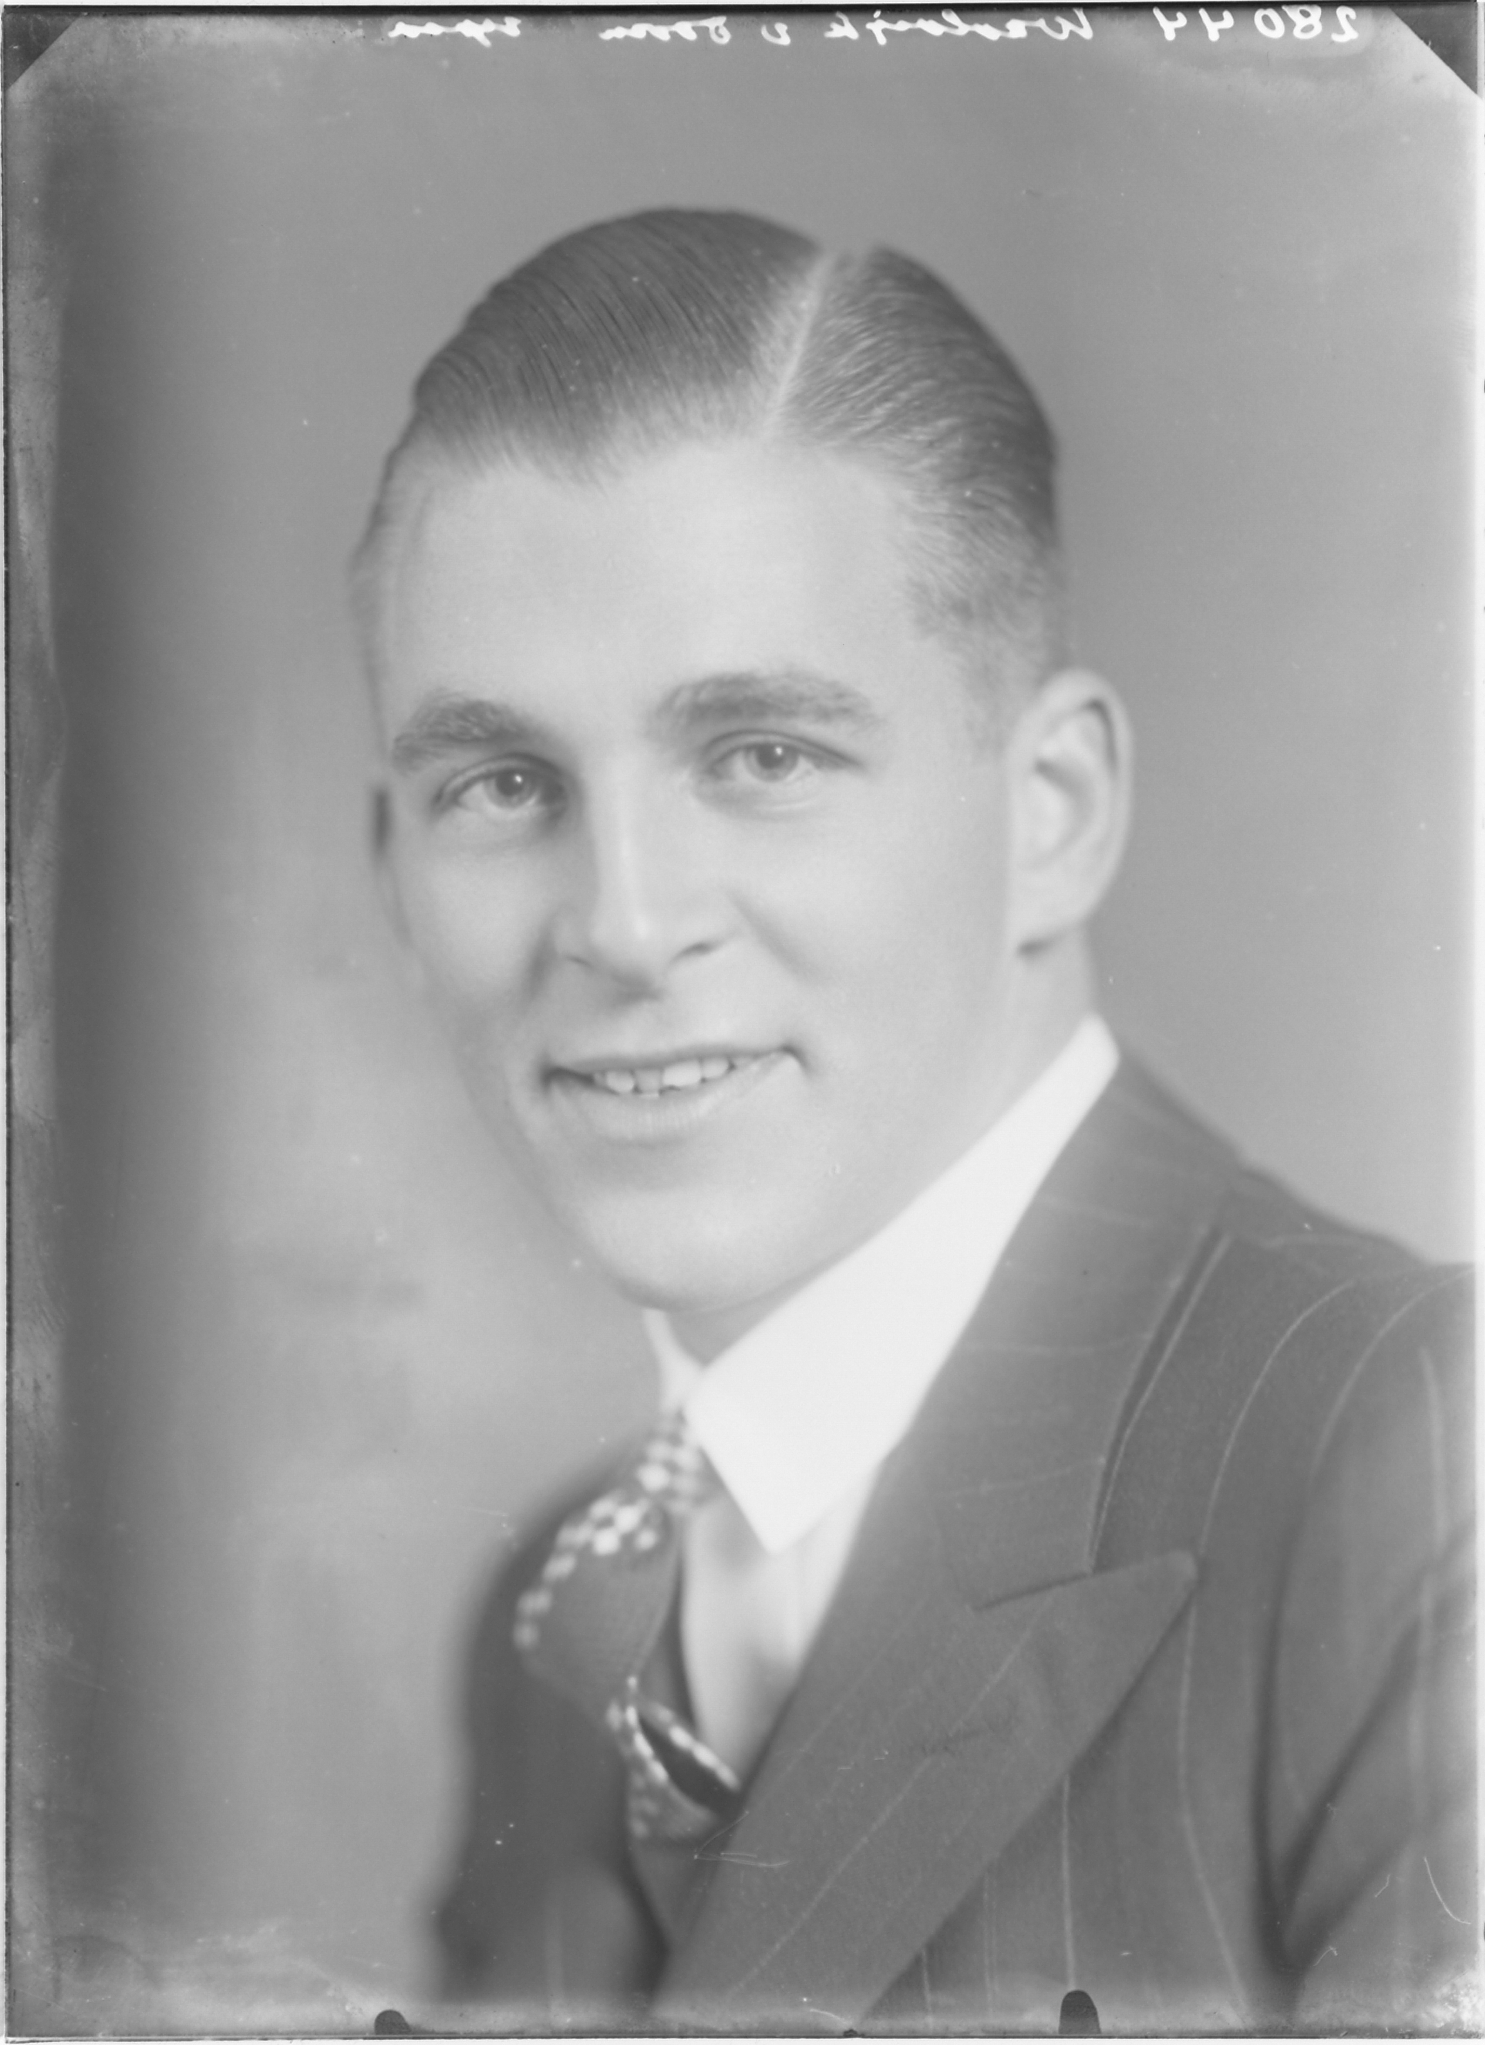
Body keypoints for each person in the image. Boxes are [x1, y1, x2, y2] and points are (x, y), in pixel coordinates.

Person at [353, 209, 1473, 2034]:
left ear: (1050, 813)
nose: (623, 922)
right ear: (393, 880)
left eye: (761, 755)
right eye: (499, 782)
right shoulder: (570, 1612)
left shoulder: (1420, 1472)